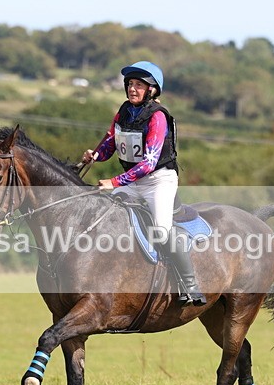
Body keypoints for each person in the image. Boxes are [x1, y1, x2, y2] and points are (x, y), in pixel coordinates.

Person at [82, 61, 206, 306]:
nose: (132, 89)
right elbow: (111, 141)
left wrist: (115, 182)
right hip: (133, 182)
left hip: (158, 181)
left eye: (139, 85)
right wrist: (96, 155)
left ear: (152, 90)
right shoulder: (124, 111)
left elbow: (149, 163)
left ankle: (191, 285)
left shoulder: (158, 117)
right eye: (130, 84)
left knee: (161, 229)